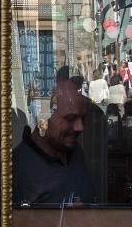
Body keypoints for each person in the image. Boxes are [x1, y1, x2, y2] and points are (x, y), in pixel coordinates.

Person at [12, 71, 96, 207]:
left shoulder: (75, 152)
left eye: (82, 118)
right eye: (70, 118)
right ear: (43, 120)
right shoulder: (18, 167)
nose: (80, 127)